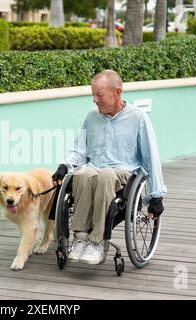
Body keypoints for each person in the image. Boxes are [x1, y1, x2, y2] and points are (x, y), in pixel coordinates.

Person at [52, 70, 167, 265]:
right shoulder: (92, 117)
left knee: (105, 175)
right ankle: (80, 237)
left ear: (117, 92)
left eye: (99, 95)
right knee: (82, 173)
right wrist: (65, 166)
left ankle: (96, 242)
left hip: (122, 172)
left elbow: (151, 158)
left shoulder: (138, 118)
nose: (95, 100)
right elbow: (79, 149)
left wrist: (156, 195)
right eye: (93, 94)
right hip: (93, 169)